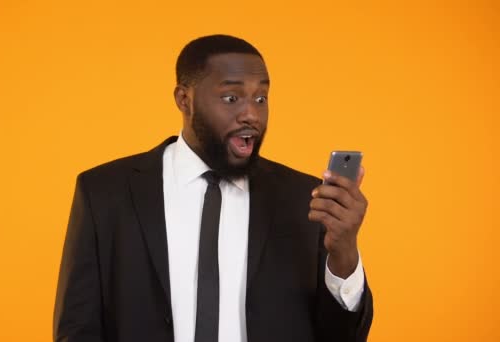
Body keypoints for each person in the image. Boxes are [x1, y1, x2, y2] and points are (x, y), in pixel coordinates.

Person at [53, 34, 373, 342]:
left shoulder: (307, 199)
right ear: (184, 99)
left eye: (261, 98)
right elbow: (77, 327)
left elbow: (343, 337)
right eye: (231, 98)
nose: (251, 114)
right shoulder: (104, 193)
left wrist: (344, 252)